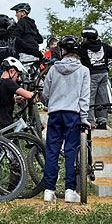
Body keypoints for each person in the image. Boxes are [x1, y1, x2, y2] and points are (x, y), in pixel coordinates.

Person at [40, 35, 91, 203]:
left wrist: (51, 103)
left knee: (52, 151)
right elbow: (84, 98)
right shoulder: (84, 71)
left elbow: (45, 93)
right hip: (73, 114)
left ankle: (49, 190)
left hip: (54, 113)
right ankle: (70, 190)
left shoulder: (53, 69)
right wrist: (84, 117)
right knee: (71, 151)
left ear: (63, 50)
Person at [78, 27, 112, 129]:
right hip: (103, 74)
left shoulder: (83, 47)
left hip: (91, 74)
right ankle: (102, 121)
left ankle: (90, 121)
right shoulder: (104, 46)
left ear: (86, 38)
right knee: (102, 97)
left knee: (89, 97)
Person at [0, 57, 36, 131]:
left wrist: (14, 99)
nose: (17, 78)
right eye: (18, 75)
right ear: (12, 71)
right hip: (5, 122)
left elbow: (1, 99)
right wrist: (35, 92)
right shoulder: (9, 82)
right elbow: (29, 95)